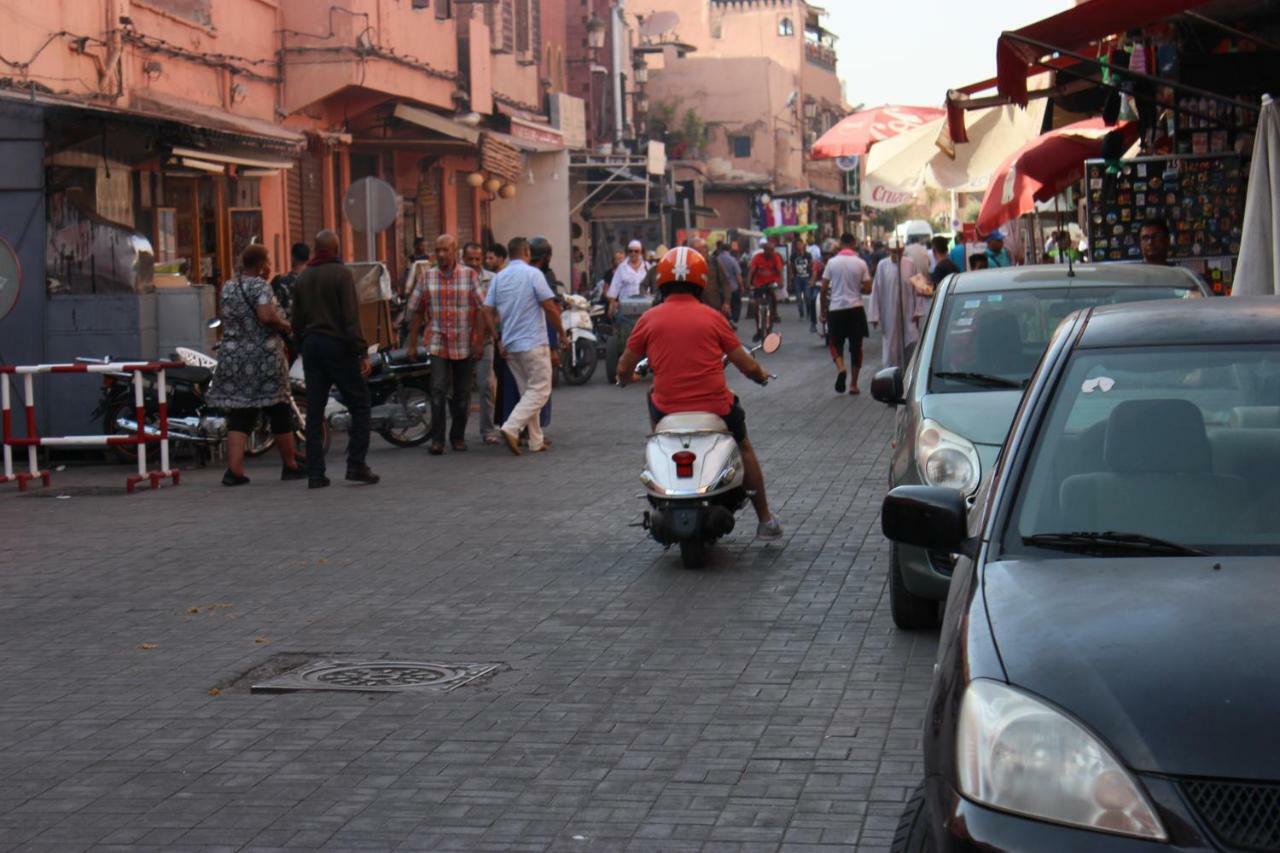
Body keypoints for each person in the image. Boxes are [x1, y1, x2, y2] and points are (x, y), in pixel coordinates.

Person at [616, 247, 782, 540]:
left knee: (652, 399)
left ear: (662, 282)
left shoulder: (649, 319)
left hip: (666, 411)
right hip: (716, 407)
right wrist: (760, 375)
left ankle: (663, 449)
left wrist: (626, 378)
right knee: (743, 447)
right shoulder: (713, 317)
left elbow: (623, 367)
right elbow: (745, 363)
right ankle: (765, 520)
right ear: (701, 282)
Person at [207, 244, 304, 486]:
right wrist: (286, 325)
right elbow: (265, 316)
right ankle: (290, 464)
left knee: (240, 413)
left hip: (232, 357)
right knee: (279, 408)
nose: (270, 266)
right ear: (261, 265)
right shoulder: (260, 285)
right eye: (268, 261)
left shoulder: (228, 287)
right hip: (262, 357)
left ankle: (235, 470)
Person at [291, 229, 379, 488]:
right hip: (338, 346)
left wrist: (300, 346)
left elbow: (296, 319)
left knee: (315, 410)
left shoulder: (303, 278)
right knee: (360, 404)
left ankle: (316, 472)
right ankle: (356, 464)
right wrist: (362, 351)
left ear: (315, 249)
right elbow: (351, 318)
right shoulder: (342, 275)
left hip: (311, 346)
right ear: (336, 249)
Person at [407, 234, 487, 455]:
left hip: (463, 343)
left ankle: (457, 436)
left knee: (461, 394)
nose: (441, 255)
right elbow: (416, 311)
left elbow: (482, 310)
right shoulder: (427, 277)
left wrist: (480, 342)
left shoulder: (469, 276)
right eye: (438, 250)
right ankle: (437, 439)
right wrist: (412, 344)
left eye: (445, 250)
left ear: (455, 251)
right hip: (437, 342)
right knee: (438, 389)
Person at [484, 237, 563, 455]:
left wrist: (496, 337)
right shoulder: (533, 274)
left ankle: (535, 440)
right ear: (527, 252)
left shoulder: (499, 277)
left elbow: (486, 310)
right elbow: (549, 306)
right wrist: (561, 333)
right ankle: (511, 427)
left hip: (509, 344)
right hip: (532, 342)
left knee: (527, 391)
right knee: (540, 390)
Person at [820, 234, 872, 395]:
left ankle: (841, 367)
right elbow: (868, 289)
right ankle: (854, 384)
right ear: (854, 244)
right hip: (855, 308)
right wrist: (857, 288)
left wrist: (823, 309)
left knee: (835, 343)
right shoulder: (861, 263)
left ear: (840, 244)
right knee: (857, 347)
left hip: (836, 309)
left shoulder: (831, 262)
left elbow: (823, 289)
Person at [463, 241, 499, 445]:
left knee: (485, 385)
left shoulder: (493, 280)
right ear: (463, 260)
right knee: (461, 389)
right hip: (461, 341)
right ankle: (457, 432)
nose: (475, 264)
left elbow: (492, 312)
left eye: (478, 259)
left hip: (485, 341)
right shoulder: (459, 279)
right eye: (471, 260)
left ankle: (487, 430)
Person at [868, 243, 922, 369]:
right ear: (889, 251)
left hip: (908, 310)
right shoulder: (882, 265)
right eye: (894, 252)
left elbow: (918, 287)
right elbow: (876, 290)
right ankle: (891, 372)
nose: (897, 255)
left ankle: (910, 371)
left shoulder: (910, 263)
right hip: (889, 311)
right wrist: (874, 315)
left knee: (911, 340)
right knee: (891, 345)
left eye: (899, 252)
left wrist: (918, 311)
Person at [747, 238, 784, 341]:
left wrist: (781, 282)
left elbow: (780, 271)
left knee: (774, 299)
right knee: (755, 306)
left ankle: (774, 314)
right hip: (759, 284)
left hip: (771, 283)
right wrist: (748, 283)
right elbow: (751, 271)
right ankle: (759, 330)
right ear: (764, 250)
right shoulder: (757, 258)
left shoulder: (776, 257)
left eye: (772, 250)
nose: (771, 252)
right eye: (769, 250)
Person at [607, 239, 648, 318]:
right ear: (628, 252)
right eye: (631, 251)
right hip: (625, 307)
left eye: (636, 251)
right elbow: (614, 287)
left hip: (644, 307)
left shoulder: (647, 267)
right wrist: (611, 306)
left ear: (641, 252)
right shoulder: (622, 267)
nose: (633, 253)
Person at [691, 236, 730, 318]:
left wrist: (727, 302)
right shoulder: (689, 265)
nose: (701, 251)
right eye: (697, 249)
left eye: (703, 248)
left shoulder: (714, 262)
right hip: (695, 308)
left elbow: (725, 282)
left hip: (714, 307)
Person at [270, 242, 310, 319]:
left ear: (292, 257)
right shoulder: (315, 281)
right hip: (310, 328)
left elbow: (272, 306)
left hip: (285, 326)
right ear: (308, 259)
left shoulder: (279, 280)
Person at [716, 241, 744, 324]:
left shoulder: (717, 259)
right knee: (736, 304)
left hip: (720, 288)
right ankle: (734, 320)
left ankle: (725, 320)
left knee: (723, 305)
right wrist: (741, 286)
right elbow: (738, 275)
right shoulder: (732, 260)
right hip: (733, 287)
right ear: (729, 250)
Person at [790, 236, 812, 321]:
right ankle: (801, 313)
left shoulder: (808, 255)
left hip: (806, 277)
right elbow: (791, 266)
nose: (799, 246)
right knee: (798, 297)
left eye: (800, 244)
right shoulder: (793, 256)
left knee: (807, 296)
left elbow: (811, 265)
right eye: (797, 245)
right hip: (797, 278)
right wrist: (792, 275)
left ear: (803, 245)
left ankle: (809, 311)